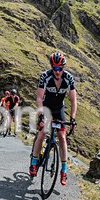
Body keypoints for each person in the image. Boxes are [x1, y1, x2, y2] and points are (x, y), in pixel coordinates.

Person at [29, 52, 78, 185]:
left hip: (59, 109)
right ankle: (33, 162)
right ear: (51, 67)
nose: (57, 71)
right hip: (46, 107)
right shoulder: (45, 76)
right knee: (42, 133)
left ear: (63, 68)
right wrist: (41, 116)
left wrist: (73, 118)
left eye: (60, 69)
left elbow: (73, 100)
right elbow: (39, 98)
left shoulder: (68, 78)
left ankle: (64, 170)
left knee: (62, 137)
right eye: (55, 68)